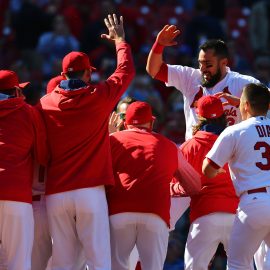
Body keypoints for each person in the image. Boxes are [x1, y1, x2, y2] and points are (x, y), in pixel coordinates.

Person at [38, 14, 135, 269]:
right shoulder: (99, 96)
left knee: (63, 262)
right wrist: (120, 41)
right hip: (90, 191)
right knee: (98, 260)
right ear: (87, 74)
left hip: (56, 192)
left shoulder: (44, 104)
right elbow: (126, 70)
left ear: (62, 75)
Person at [107, 101, 201, 270]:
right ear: (151, 122)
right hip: (155, 214)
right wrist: (172, 188)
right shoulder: (169, 145)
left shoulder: (112, 140)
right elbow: (194, 185)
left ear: (125, 122)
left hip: (119, 213)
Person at [146, 24, 259, 140]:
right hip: (194, 152)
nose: (202, 69)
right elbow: (155, 70)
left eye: (208, 64)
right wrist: (158, 45)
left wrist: (241, 103)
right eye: (200, 63)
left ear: (224, 63)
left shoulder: (242, 82)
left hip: (229, 155)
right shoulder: (189, 76)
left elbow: (266, 102)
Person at [202, 83, 270, 269]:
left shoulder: (235, 130)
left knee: (238, 263)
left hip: (253, 201)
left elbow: (208, 169)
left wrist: (218, 169)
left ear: (245, 105)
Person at [180, 95, 239, 270]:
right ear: (223, 115)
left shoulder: (189, 146)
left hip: (204, 214)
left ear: (200, 117)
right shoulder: (237, 140)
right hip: (237, 215)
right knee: (242, 266)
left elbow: (178, 185)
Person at [0, 70, 47, 270]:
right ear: (16, 91)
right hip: (16, 196)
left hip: (15, 196)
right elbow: (43, 155)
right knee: (19, 263)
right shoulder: (29, 112)